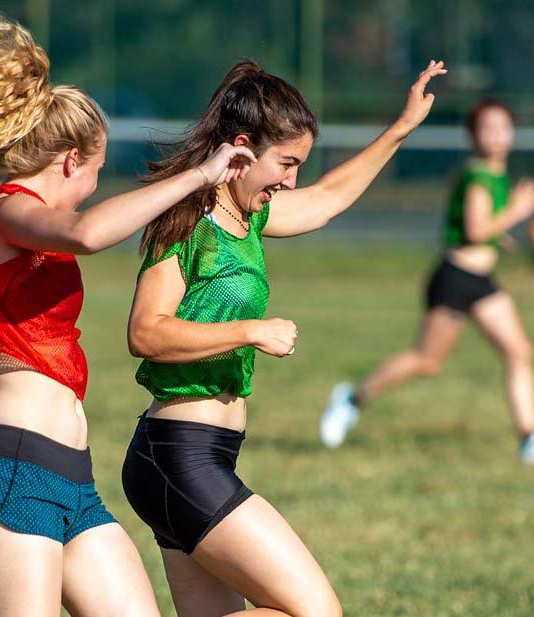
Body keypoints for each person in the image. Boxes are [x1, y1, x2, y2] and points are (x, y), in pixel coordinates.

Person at [0, 10, 256, 616]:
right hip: (14, 475)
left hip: (73, 482)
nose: (95, 185)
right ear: (73, 160)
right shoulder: (4, 211)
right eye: (98, 171)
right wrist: (198, 176)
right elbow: (86, 233)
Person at [122, 58, 446, 616]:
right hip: (177, 457)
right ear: (243, 148)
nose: (291, 180)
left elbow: (327, 200)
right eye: (286, 163)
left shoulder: (248, 218)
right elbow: (146, 333)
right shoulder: (186, 219)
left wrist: (401, 128)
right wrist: (250, 330)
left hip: (205, 456)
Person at [320, 98, 534, 466]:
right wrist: (516, 211)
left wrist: (505, 235)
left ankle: (528, 436)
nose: (497, 136)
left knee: (518, 351)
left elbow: (484, 230)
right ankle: (351, 399)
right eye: (488, 128)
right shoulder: (478, 177)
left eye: (503, 127)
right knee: (426, 360)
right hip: (455, 279)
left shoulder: (497, 175)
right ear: (473, 135)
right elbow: (476, 229)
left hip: (482, 280)